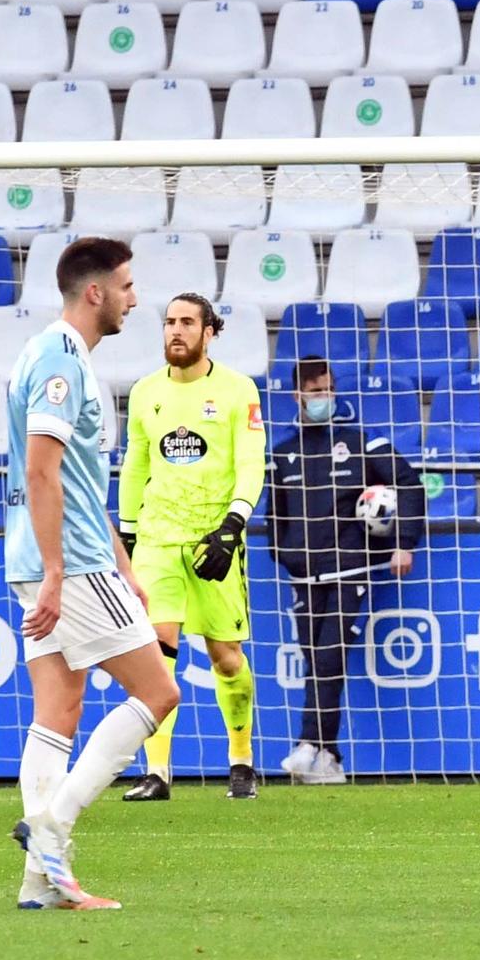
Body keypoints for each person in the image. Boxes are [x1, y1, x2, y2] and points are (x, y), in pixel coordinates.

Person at [6, 236, 181, 910]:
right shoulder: (59, 361)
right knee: (160, 692)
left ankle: (39, 883)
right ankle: (52, 827)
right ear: (96, 291)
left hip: (55, 555)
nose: (137, 299)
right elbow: (41, 469)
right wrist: (58, 570)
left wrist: (126, 564)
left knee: (58, 708)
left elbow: (78, 478)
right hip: (67, 560)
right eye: (129, 286)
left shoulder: (52, 352)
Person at [117, 294, 266, 801]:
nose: (175, 331)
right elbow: (137, 462)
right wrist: (130, 528)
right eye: (169, 322)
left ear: (209, 332)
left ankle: (241, 759)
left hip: (214, 539)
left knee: (225, 657)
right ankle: (156, 772)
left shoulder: (237, 390)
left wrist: (233, 525)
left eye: (187, 323)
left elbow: (251, 462)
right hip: (158, 539)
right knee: (158, 658)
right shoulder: (144, 393)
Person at [266, 358, 425, 785]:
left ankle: (306, 744)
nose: (324, 398)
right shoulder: (283, 454)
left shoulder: (359, 443)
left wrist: (402, 543)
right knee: (317, 659)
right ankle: (328, 757)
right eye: (316, 392)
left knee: (329, 654)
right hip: (304, 575)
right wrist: (288, 556)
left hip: (350, 569)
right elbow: (274, 518)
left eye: (329, 390)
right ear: (297, 396)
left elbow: (408, 484)